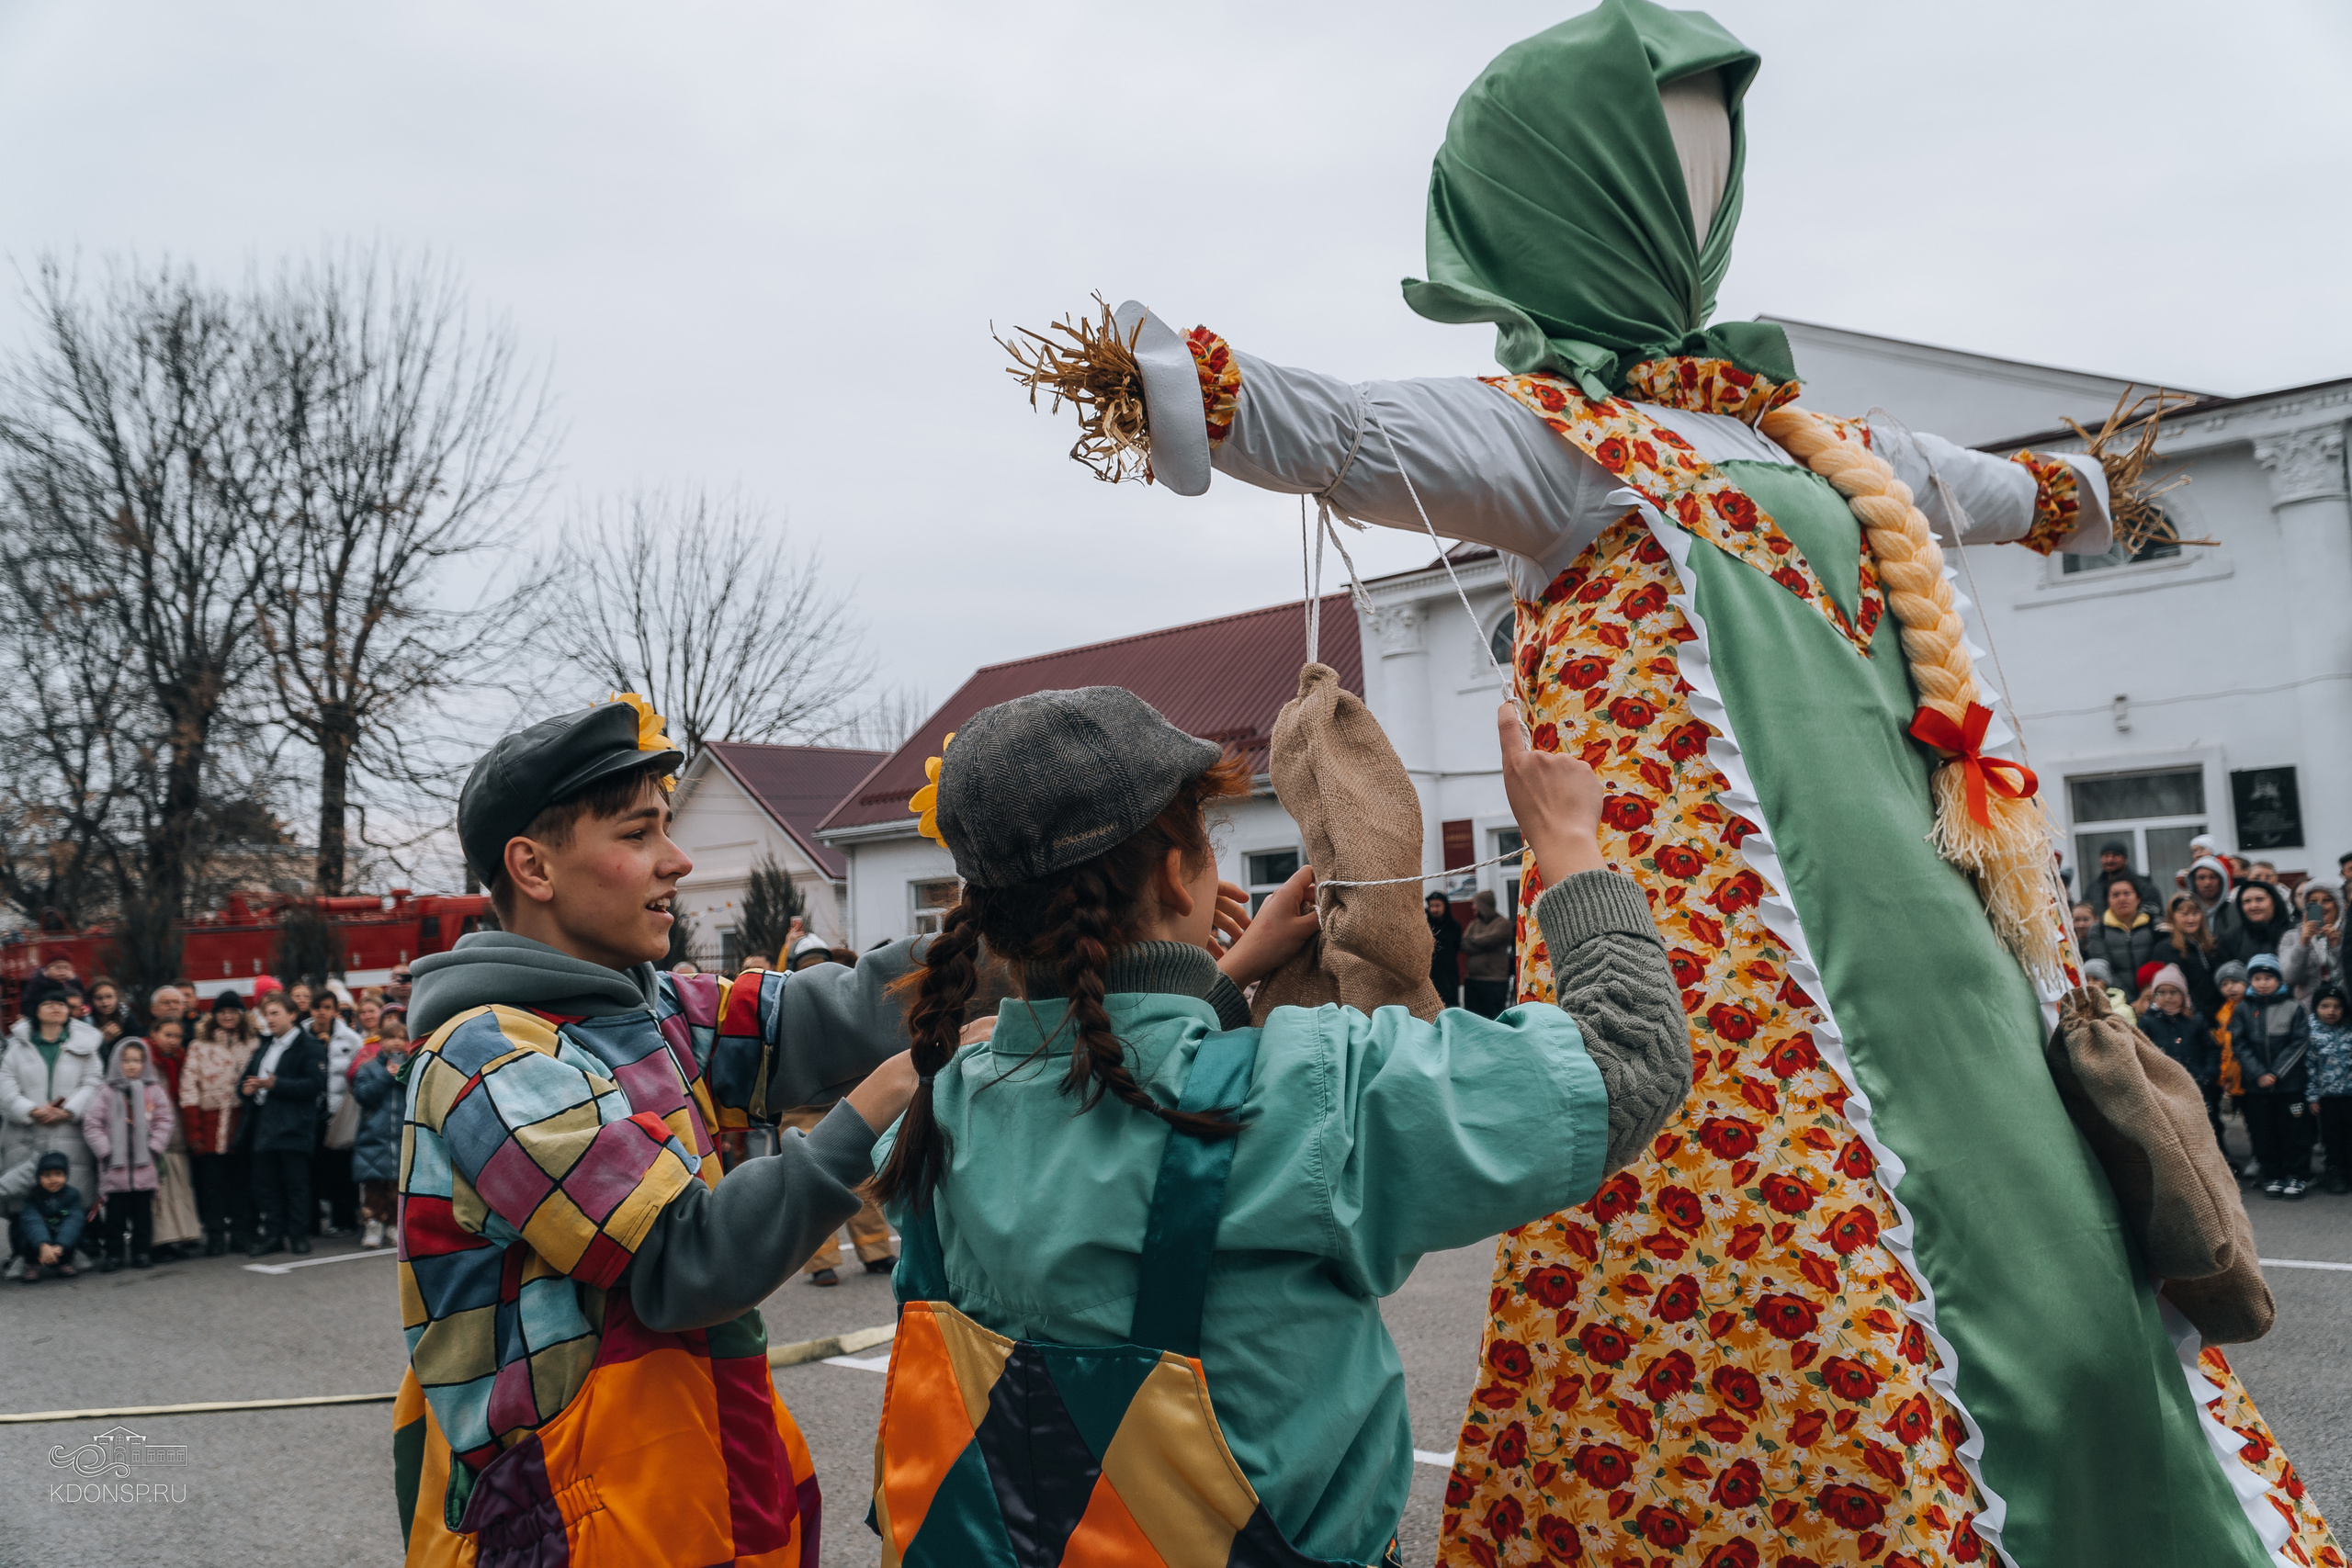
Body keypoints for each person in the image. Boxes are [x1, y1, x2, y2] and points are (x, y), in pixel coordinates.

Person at [1007, 3, 2324, 1553]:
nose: (1703, 188)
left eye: (1717, 156)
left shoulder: (1828, 444)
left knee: (2060, 1276)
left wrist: (2067, 496)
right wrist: (1197, 389)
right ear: (1575, 197)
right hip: (1734, 1001)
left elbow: (1981, 487)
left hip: (1962, 980)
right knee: (1786, 1328)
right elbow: (1359, 427)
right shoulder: (1564, 447)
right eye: (1669, 158)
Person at [865, 688, 1686, 1565]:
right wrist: (1567, 846)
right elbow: (1630, 1060)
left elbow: (1111, 1076)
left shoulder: (941, 1111)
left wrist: (1227, 974)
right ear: (1180, 874)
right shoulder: (1304, 1096)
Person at [390, 694, 919, 1565]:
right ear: (533, 867)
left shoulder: (654, 1007)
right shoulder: (486, 1056)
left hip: (701, 1482)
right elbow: (685, 1260)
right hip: (585, 1524)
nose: (676, 861)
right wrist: (891, 1090)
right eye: (638, 834)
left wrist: (1011, 938)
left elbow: (839, 1013)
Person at [1, 985, 103, 1223]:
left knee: (73, 1197)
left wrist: (68, 1111)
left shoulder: (85, 1047)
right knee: (24, 1199)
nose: (55, 1008)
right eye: (48, 1004)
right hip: (25, 1131)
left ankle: (75, 1250)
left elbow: (93, 1083)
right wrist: (31, 1110)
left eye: (61, 1004)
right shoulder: (16, 1048)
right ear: (36, 1011)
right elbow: (4, 1086)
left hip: (70, 1129)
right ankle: (26, 1252)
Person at [237, 990, 325, 1258]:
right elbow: (245, 1081)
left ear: (292, 1015)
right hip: (264, 1126)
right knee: (267, 1185)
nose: (269, 1019)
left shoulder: (309, 1046)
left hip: (294, 1126)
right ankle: (273, 1235)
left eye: (275, 1013)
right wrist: (247, 1088)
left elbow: (314, 1085)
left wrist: (276, 1084)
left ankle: (298, 1235)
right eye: (266, 1014)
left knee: (296, 1185)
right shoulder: (264, 1046)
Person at [81, 1038, 177, 1271]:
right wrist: (105, 1151)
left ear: (145, 1063)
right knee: (115, 1217)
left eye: (137, 1060)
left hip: (145, 1167)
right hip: (115, 1169)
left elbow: (165, 1119)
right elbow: (92, 1124)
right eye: (126, 1060)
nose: (132, 1065)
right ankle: (113, 1254)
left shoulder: (153, 1091)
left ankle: (141, 1252)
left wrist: (155, 1146)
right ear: (116, 1062)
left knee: (143, 1216)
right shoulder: (106, 1092)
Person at [182, 993, 254, 1255]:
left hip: (241, 1119)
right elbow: (189, 1088)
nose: (227, 1016)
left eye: (233, 1011)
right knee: (212, 1184)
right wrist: (194, 1129)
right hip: (210, 1121)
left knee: (241, 1183)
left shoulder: (252, 1043)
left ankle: (241, 1232)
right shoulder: (199, 1046)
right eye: (222, 1011)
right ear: (214, 1015)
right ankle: (214, 1234)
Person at [2236, 954, 2312, 1198]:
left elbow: (2300, 1042)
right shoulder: (2243, 1008)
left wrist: (2276, 1073)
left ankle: (2296, 1175)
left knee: (2294, 1133)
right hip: (2257, 1086)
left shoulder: (2293, 1007)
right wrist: (2259, 1074)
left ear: (2278, 979)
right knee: (2264, 1133)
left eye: (2268, 977)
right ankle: (2273, 1175)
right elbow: (2239, 1044)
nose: (2263, 983)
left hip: (2289, 1085)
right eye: (2257, 978)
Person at [136, 1019, 204, 1258]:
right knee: (159, 1192)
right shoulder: (144, 1060)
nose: (173, 1040)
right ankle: (159, 1241)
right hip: (153, 1134)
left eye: (177, 1036)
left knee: (177, 1188)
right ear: (153, 1033)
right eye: (168, 1034)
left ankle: (178, 1236)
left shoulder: (178, 1060)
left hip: (176, 1134)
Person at [2138, 965, 2221, 1155]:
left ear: (2183, 994)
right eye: (2162, 993)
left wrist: (2208, 1074)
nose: (2168, 997)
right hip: (2164, 1085)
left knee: (2206, 1123)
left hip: (2197, 1081)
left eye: (2174, 992)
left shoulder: (2196, 1020)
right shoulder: (2148, 1021)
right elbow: (2142, 1052)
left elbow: (2211, 1049)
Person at [305, 990, 362, 1236]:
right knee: (311, 1169)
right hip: (309, 1112)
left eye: (327, 1007)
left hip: (338, 1112)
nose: (321, 1012)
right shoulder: (302, 1036)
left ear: (335, 1010)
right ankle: (311, 1221)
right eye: (317, 1007)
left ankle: (345, 1219)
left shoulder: (349, 1039)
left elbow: (358, 1071)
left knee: (341, 1169)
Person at [347, 1016, 407, 1249]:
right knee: (374, 1186)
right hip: (373, 1136)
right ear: (381, 1041)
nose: (397, 1043)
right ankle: (373, 1225)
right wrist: (386, 1075)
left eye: (402, 1038)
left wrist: (403, 1075)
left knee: (397, 1186)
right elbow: (362, 1095)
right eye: (391, 1037)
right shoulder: (369, 1068)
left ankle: (394, 1225)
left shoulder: (412, 1067)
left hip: (402, 1136)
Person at [11, 1151, 84, 1282]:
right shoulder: (33, 1196)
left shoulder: (72, 1195)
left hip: (59, 1234)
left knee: (72, 1233)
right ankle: (32, 1264)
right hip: (40, 1238)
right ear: (39, 1177)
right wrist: (43, 1245)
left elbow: (73, 1220)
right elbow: (32, 1220)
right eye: (47, 1175)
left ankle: (63, 1262)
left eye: (58, 1174)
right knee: (25, 1231)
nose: (53, 1179)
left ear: (66, 1176)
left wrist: (60, 1245)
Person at [2308, 984, 2352, 1195]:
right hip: (2327, 1096)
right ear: (2316, 1008)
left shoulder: (2349, 1030)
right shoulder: (2312, 1033)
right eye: (2325, 1006)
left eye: (2337, 1006)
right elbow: (2309, 1068)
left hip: (2349, 1093)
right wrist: (2312, 1096)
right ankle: (2335, 1171)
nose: (2331, 1011)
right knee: (2332, 1136)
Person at [2155, 895, 2227, 1021]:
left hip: (2218, 1015)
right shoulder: (2166, 948)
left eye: (2195, 913)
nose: (2191, 919)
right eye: (2184, 914)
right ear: (2173, 917)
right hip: (2189, 1017)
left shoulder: (2212, 945)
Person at [2083, 878, 2162, 980]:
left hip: (2152, 989)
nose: (2122, 899)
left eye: (2127, 894)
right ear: (2108, 901)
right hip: (2115, 992)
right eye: (2115, 895)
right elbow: (2102, 968)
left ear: (2138, 898)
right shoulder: (2098, 930)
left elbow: (2160, 963)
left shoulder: (2154, 925)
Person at [2212, 959, 2251, 1164]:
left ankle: (2258, 1156)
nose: (2230, 988)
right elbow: (2224, 1050)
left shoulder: (2251, 1008)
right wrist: (2224, 1077)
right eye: (2225, 984)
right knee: (2243, 1117)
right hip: (2232, 1077)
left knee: (2255, 1120)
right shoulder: (2223, 1013)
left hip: (2250, 1075)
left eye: (2235, 982)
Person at [2280, 880, 2343, 1002]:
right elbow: (2290, 978)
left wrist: (2336, 947)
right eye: (2313, 902)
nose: (2320, 906)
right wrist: (2303, 943)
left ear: (2338, 904)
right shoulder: (2291, 936)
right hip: (2309, 1010)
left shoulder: (2347, 933)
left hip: (2345, 1006)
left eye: (2327, 900)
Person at [1459, 887, 1513, 1017]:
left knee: (1494, 1018)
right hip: (1473, 980)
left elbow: (1491, 939)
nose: (1472, 907)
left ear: (1483, 905)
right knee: (1473, 1018)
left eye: (1475, 904)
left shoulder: (1503, 923)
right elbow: (1464, 945)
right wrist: (1483, 943)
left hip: (1494, 981)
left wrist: (1474, 939)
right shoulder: (1474, 924)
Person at [2088, 842, 2163, 917]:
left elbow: (2156, 916)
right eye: (2106, 856)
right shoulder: (2093, 889)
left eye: (2115, 856)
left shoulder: (2145, 888)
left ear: (2125, 859)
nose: (2109, 860)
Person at [2227, 881, 2294, 964]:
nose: (2253, 906)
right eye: (2247, 901)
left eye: (2259, 899)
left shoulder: (2293, 931)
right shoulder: (2231, 938)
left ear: (2274, 902)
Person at [1425, 889, 1464, 1008]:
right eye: (1431, 906)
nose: (1434, 909)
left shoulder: (1454, 926)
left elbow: (1457, 947)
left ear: (1445, 906)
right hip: (1430, 975)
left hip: (1449, 976)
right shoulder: (1424, 925)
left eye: (1437, 906)